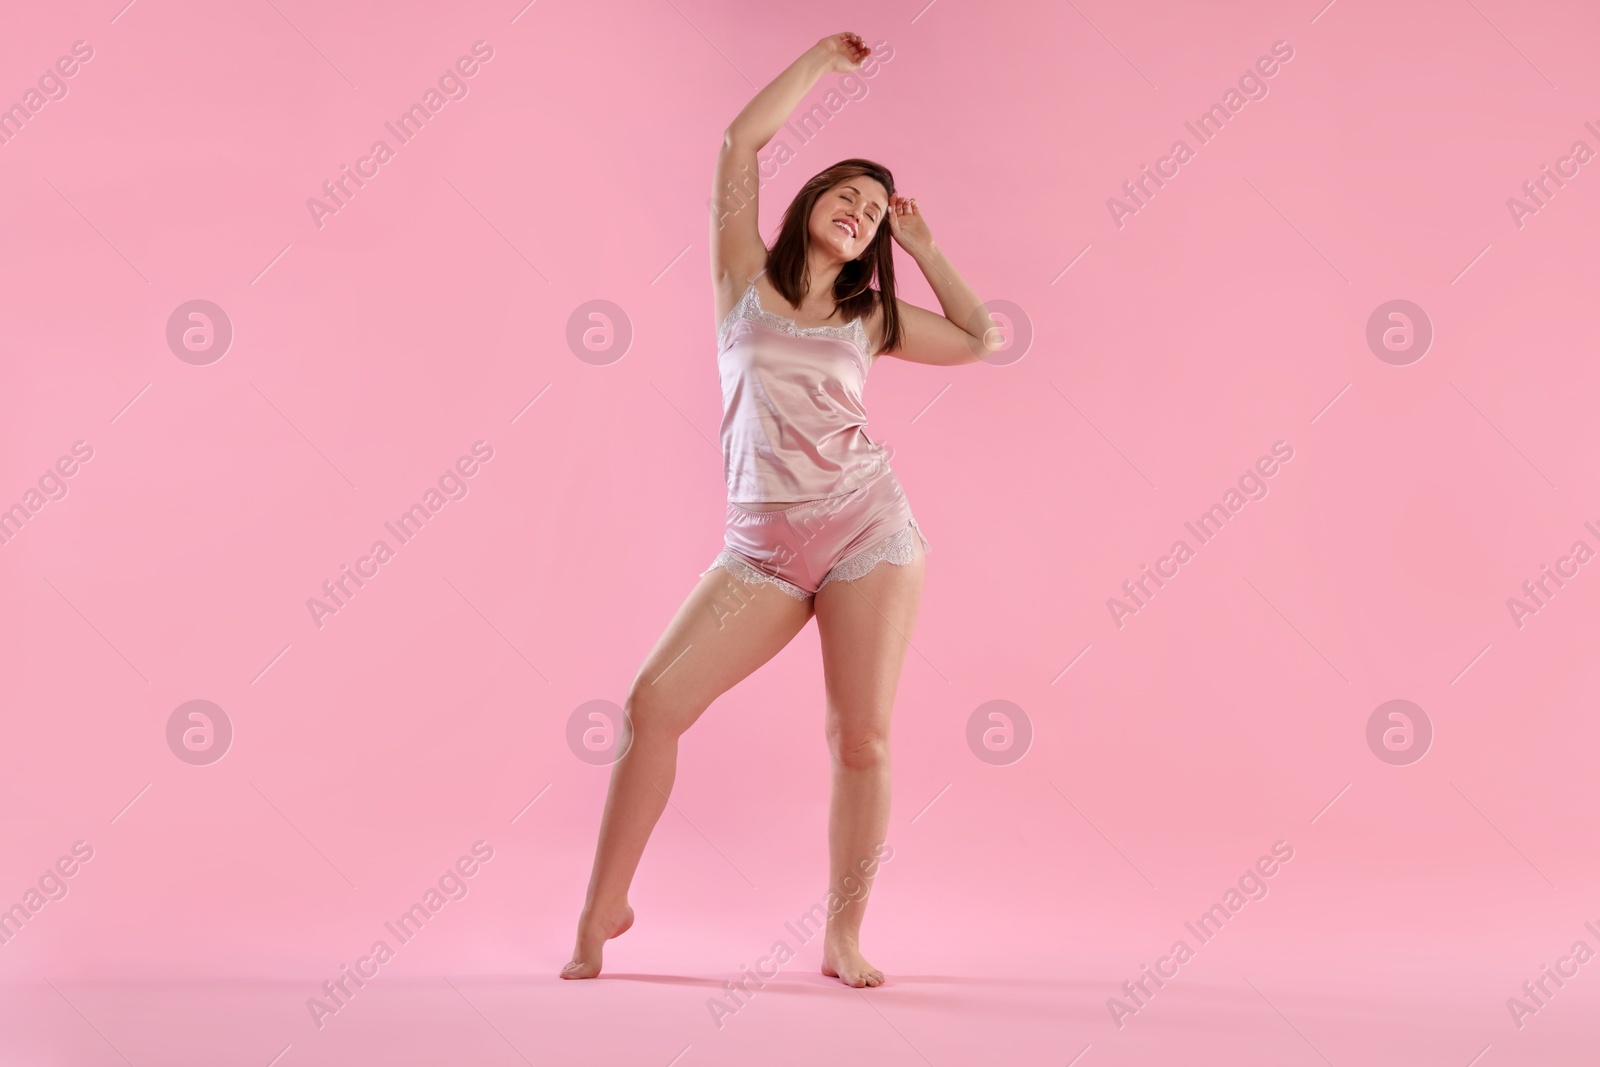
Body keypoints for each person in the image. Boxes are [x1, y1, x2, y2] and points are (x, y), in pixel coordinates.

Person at [562, 30, 999, 989]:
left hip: (866, 532)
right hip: (758, 549)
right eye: (848, 194)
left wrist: (923, 245)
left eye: (876, 212)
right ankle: (604, 905)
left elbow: (982, 337)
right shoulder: (741, 279)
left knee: (860, 735)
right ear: (811, 204)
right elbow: (734, 146)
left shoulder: (869, 315)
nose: (861, 212)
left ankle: (843, 936)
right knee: (650, 706)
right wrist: (815, 64)